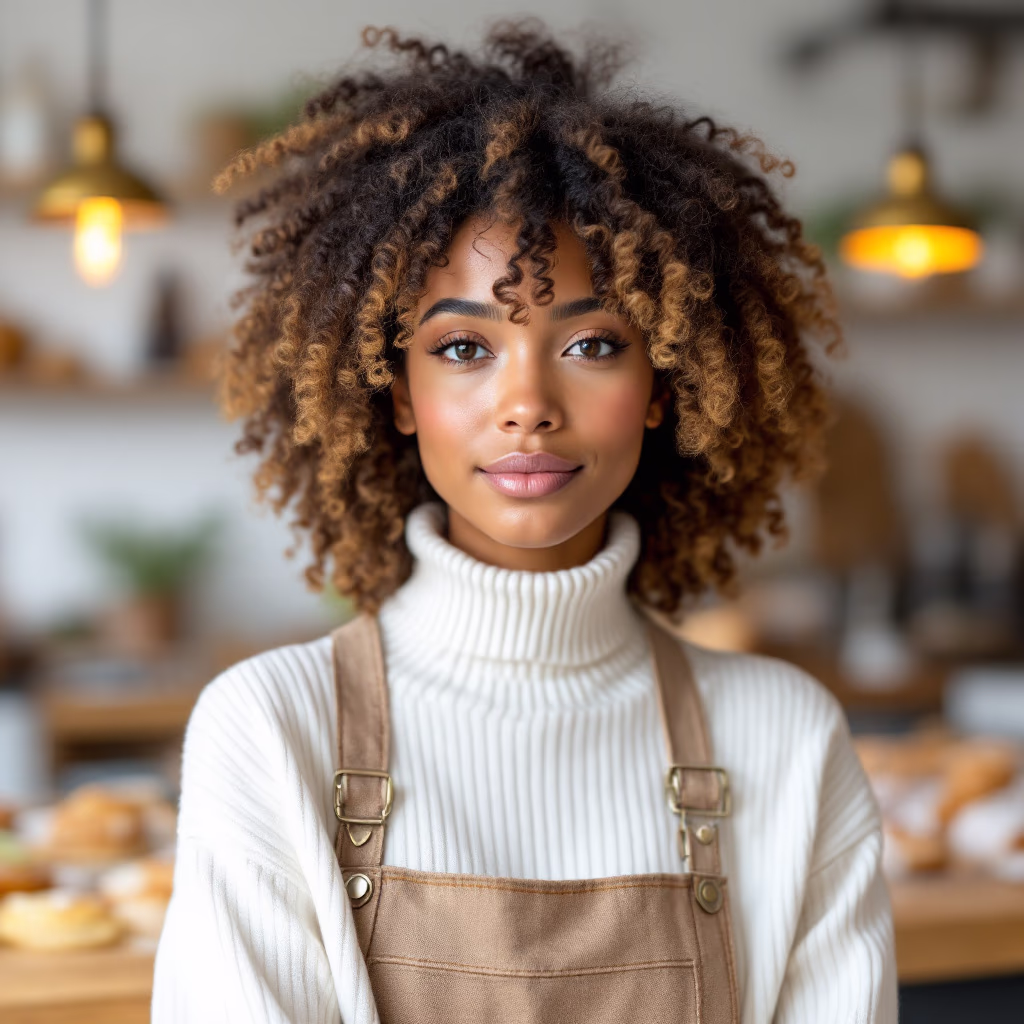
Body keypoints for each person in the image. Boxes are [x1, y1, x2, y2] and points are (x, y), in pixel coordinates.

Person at [152, 22, 897, 1023]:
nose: (527, 403)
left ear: (663, 383)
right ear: (397, 391)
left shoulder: (784, 742)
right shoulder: (274, 731)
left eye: (591, 342)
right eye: (463, 348)